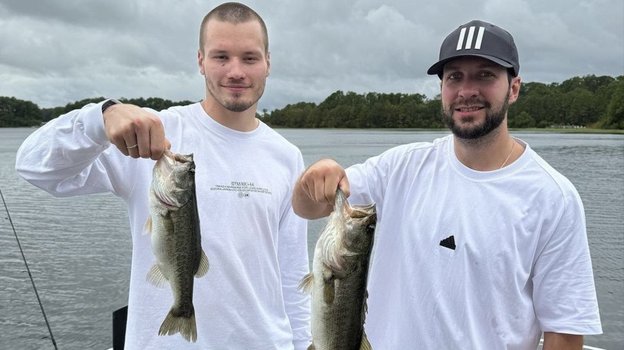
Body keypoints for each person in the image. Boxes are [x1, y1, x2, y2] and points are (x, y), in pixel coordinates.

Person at [16, 2, 311, 349]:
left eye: (249, 57)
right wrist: (102, 116)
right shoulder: (150, 134)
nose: (235, 71)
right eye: (220, 57)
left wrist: (305, 342)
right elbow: (34, 167)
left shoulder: (287, 156)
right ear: (200, 60)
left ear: (268, 62)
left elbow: (292, 272)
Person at [292, 20, 602, 349]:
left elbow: (565, 332)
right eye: (454, 77)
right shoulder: (400, 167)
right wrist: (316, 177)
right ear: (442, 90)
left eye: (485, 75)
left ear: (513, 88)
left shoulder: (554, 197)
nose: (467, 91)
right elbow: (307, 207)